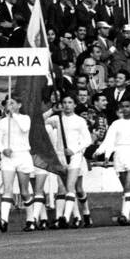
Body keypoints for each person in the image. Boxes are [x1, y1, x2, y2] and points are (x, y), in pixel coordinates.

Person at [97, 99, 130, 224]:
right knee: (127, 188)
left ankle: (124, 215)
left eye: (128, 106)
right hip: (120, 154)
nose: (125, 109)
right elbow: (109, 140)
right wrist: (105, 155)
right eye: (123, 107)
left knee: (128, 184)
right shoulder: (116, 124)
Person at [46, 94, 93, 227]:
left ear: (74, 105)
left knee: (74, 187)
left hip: (75, 156)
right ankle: (60, 217)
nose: (67, 105)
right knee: (61, 187)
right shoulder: (57, 119)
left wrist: (74, 150)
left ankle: (73, 216)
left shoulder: (79, 121)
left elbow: (87, 140)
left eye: (70, 102)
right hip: (60, 156)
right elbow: (38, 121)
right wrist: (52, 110)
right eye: (65, 102)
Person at [0, 95, 32, 233]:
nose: (8, 106)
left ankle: (31, 220)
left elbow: (24, 128)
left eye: (12, 103)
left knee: (24, 191)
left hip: (23, 155)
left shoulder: (25, 118)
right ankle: (4, 221)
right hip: (9, 158)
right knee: (7, 188)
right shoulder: (3, 122)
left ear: (19, 105)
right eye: (7, 104)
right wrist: (3, 150)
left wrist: (13, 115)